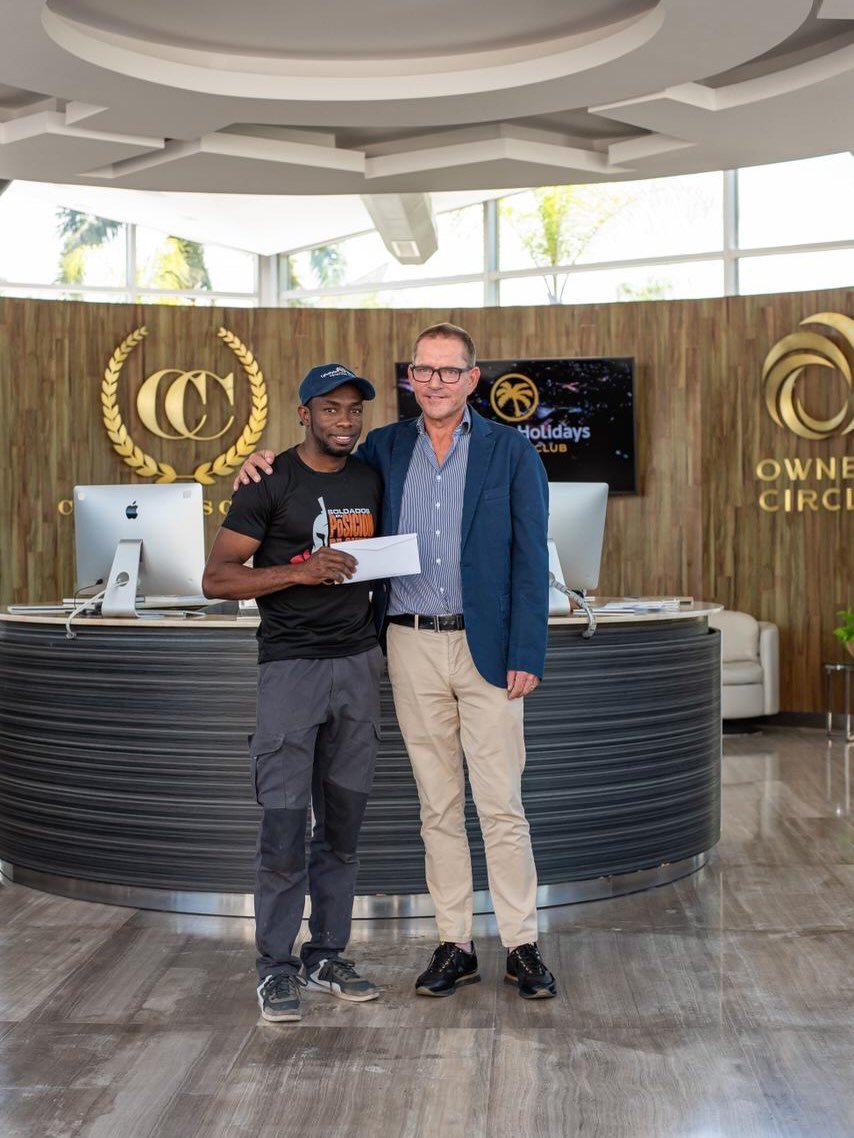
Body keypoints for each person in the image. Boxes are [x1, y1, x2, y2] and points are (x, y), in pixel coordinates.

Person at [236, 324, 557, 1000]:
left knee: (501, 805)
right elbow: (317, 462)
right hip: (408, 644)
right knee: (437, 806)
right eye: (424, 371)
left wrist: (528, 650)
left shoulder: (510, 451)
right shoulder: (383, 447)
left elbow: (531, 559)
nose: (436, 382)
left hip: (489, 650)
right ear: (411, 379)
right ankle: (455, 943)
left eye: (449, 371)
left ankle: (521, 945)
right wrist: (258, 463)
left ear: (472, 379)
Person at [204, 364, 384, 1023]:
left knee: (342, 827)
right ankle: (276, 968)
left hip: (358, 666)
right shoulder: (269, 480)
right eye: (330, 408)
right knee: (284, 826)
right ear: (304, 413)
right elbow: (218, 579)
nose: (345, 420)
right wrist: (300, 573)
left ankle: (325, 955)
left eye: (354, 410)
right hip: (291, 669)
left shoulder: (372, 477)